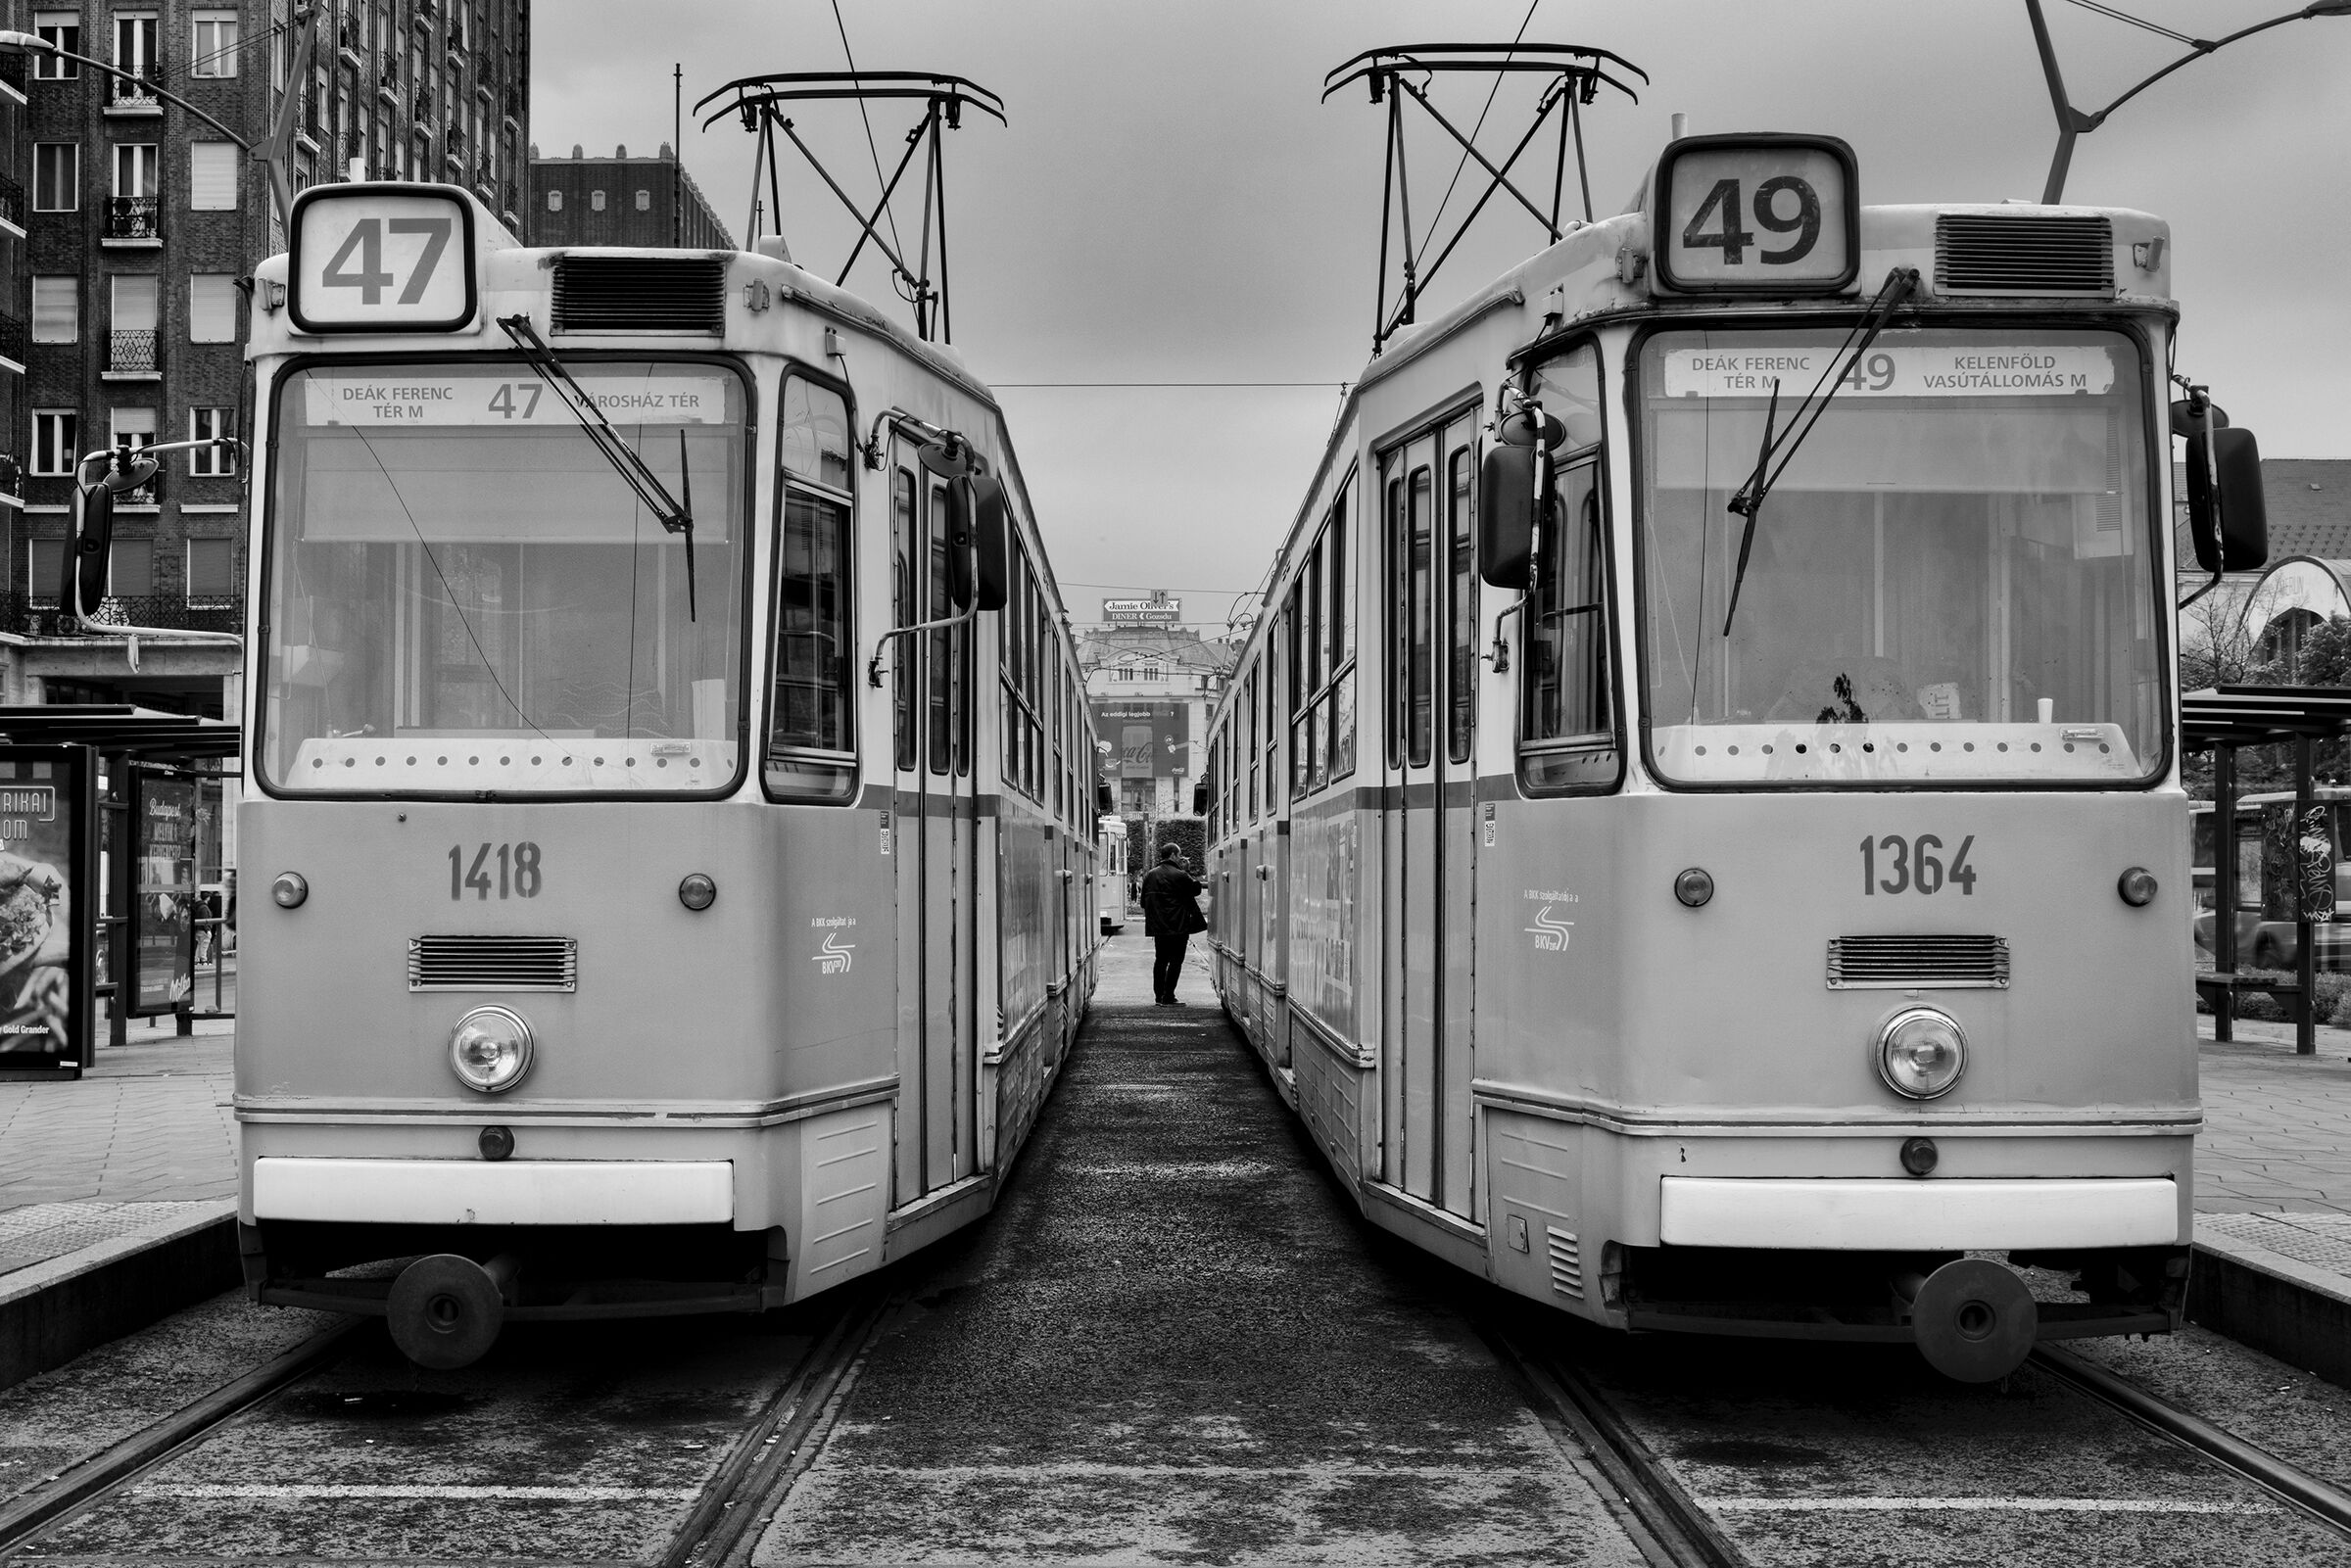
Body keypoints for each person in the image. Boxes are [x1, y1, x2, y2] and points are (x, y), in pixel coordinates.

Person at [1138, 843, 1208, 1006]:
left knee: (1160, 960)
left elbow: (1143, 903)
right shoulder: (1180, 875)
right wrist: (1187, 870)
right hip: (1178, 926)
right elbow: (1196, 889)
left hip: (1159, 927)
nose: (1180, 858)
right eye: (1179, 855)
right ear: (1173, 855)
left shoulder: (1150, 875)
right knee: (1176, 961)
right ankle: (1168, 996)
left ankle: (1158, 996)